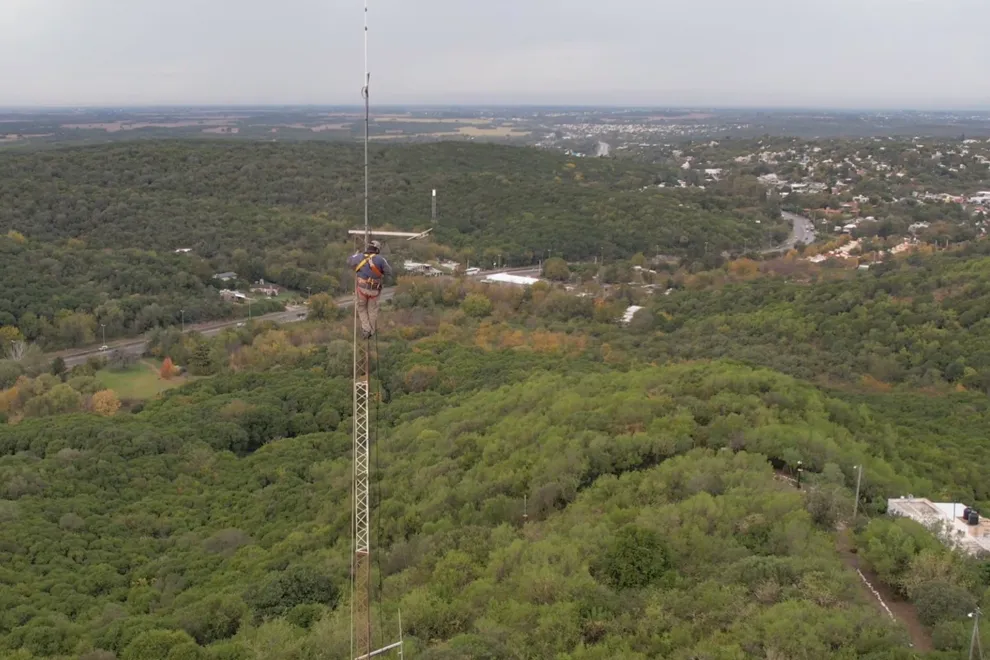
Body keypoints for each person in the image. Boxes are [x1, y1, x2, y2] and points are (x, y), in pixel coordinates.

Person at [347, 240, 392, 339]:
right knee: (372, 310)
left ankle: (366, 329)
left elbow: (349, 261)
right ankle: (370, 331)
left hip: (362, 289)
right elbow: (389, 272)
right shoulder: (381, 259)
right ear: (377, 249)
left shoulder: (358, 257)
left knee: (361, 308)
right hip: (374, 290)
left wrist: (355, 256)